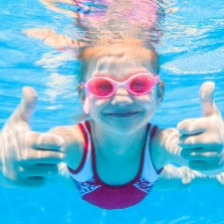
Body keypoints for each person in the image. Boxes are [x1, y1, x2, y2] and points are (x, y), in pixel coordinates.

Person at [0, 39, 224, 210]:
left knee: (186, 179)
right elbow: (53, 144)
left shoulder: (160, 143)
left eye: (139, 84)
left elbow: (182, 149)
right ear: (83, 96)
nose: (121, 99)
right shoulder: (75, 142)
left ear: (159, 93)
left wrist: (208, 155)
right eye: (103, 87)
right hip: (81, 183)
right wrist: (11, 157)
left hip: (143, 184)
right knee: (51, 173)